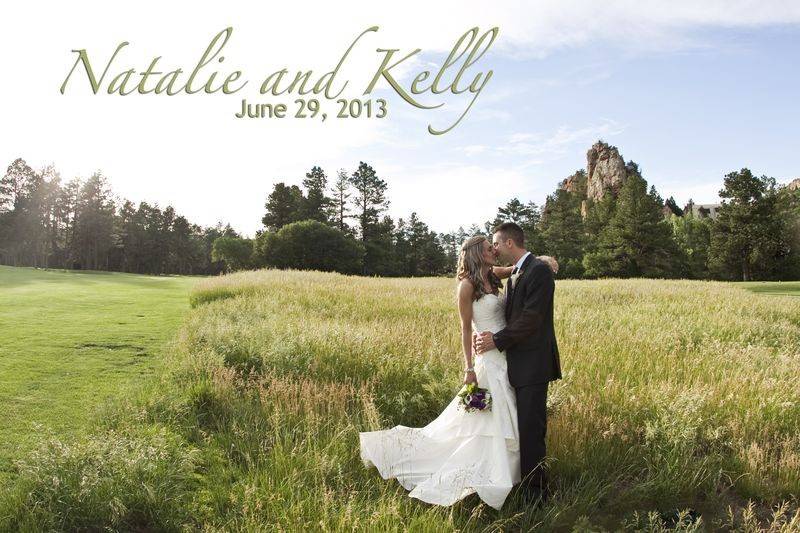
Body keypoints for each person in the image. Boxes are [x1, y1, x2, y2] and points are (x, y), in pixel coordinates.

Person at [359, 233, 558, 510]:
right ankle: (484, 474)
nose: (495, 251)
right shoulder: (466, 286)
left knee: (511, 418)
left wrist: (542, 260)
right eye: (490, 248)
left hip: (508, 357)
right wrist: (468, 368)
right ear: (478, 252)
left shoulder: (492, 274)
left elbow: (519, 267)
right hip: (488, 359)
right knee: (485, 422)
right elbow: (466, 329)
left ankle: (515, 478)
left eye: (496, 245)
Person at [474, 222, 562, 505]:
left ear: (509, 243)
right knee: (513, 425)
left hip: (533, 364)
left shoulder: (538, 271)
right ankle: (515, 480)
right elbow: (490, 272)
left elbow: (531, 319)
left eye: (496, 244)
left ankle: (537, 495)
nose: (494, 249)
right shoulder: (519, 271)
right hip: (510, 365)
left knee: (531, 430)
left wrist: (496, 340)